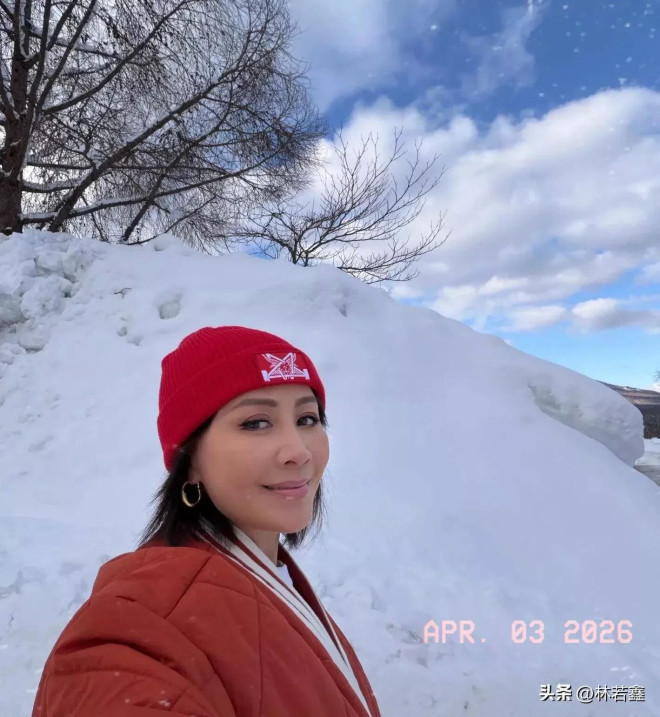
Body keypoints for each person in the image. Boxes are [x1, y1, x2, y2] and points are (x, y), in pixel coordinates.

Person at [31, 325, 382, 717]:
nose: (299, 451)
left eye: (307, 419)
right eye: (256, 423)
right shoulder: (145, 624)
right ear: (190, 458)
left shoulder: (274, 578)